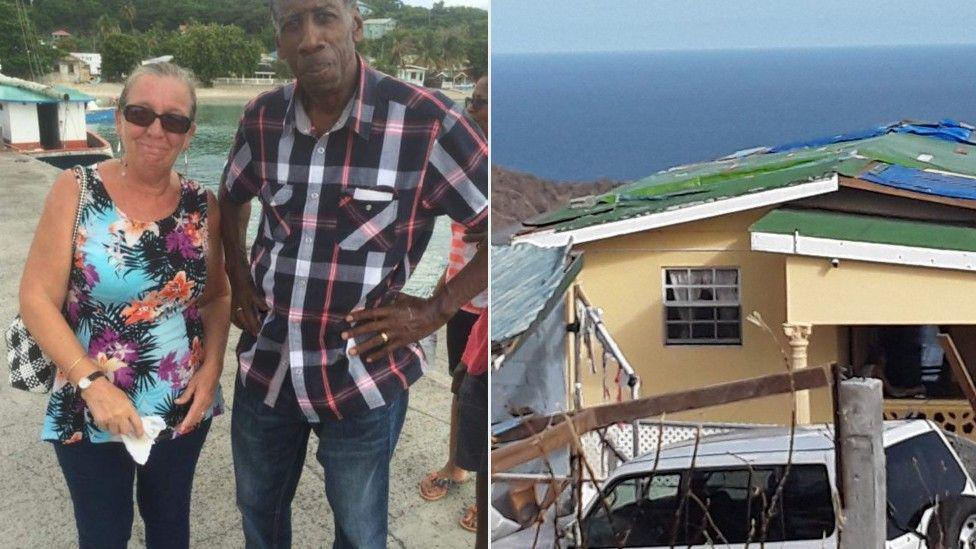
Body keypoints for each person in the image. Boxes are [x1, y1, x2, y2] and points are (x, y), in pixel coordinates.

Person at [217, 1, 488, 547]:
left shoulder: (427, 121)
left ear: (356, 25)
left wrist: (435, 310)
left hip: (363, 378)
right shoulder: (261, 118)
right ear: (279, 40)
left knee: (360, 532)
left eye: (324, 16)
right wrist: (240, 279)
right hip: (267, 369)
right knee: (258, 514)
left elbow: (506, 221)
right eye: (292, 23)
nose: (310, 37)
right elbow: (231, 199)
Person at [18, 62, 230, 548]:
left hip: (180, 401)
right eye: (141, 113)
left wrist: (214, 366)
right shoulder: (76, 190)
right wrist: (92, 384)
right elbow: (36, 298)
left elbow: (217, 295)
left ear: (189, 134)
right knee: (102, 534)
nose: (156, 129)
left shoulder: (203, 205)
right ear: (118, 118)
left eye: (173, 120)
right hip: (88, 397)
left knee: (170, 527)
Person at [420, 75, 490, 504]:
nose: (476, 111)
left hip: (498, 308)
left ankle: (487, 493)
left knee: (489, 398)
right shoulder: (463, 162)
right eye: (475, 100)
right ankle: (457, 465)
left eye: (487, 102)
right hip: (462, 300)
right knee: (459, 388)